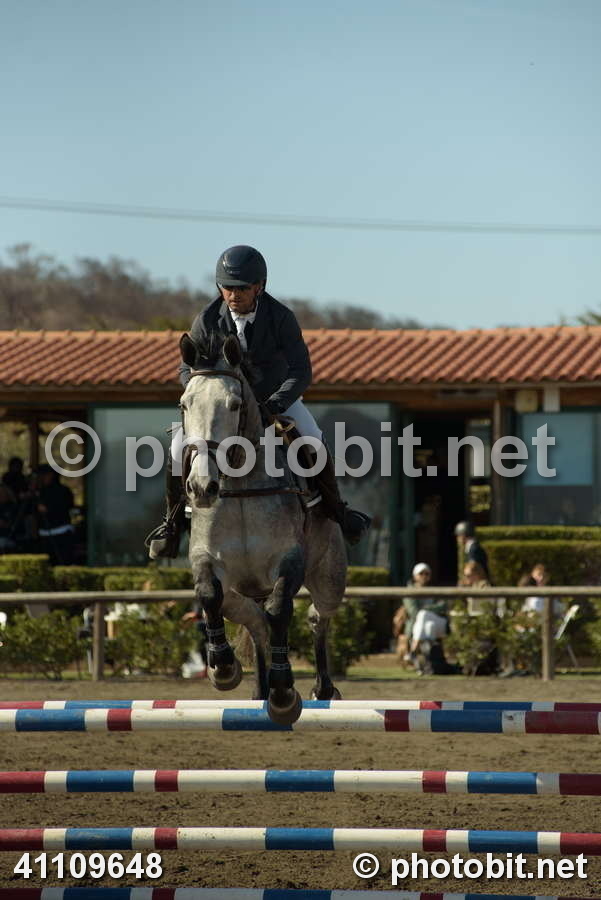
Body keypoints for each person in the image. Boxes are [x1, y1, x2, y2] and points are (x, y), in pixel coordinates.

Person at [145, 245, 371, 558]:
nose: (233, 294)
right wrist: (203, 394)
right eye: (227, 287)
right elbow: (187, 368)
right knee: (176, 446)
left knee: (312, 437)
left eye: (241, 288)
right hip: (222, 406)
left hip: (274, 400)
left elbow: (301, 370)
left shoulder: (280, 317)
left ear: (259, 286)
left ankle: (338, 511)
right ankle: (171, 524)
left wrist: (276, 404)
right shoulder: (207, 320)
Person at [35, 464, 75, 565]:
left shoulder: (63, 491)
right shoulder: (41, 491)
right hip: (45, 532)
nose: (42, 478)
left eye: (44, 475)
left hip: (61, 531)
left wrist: (48, 509)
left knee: (62, 561)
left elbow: (66, 506)